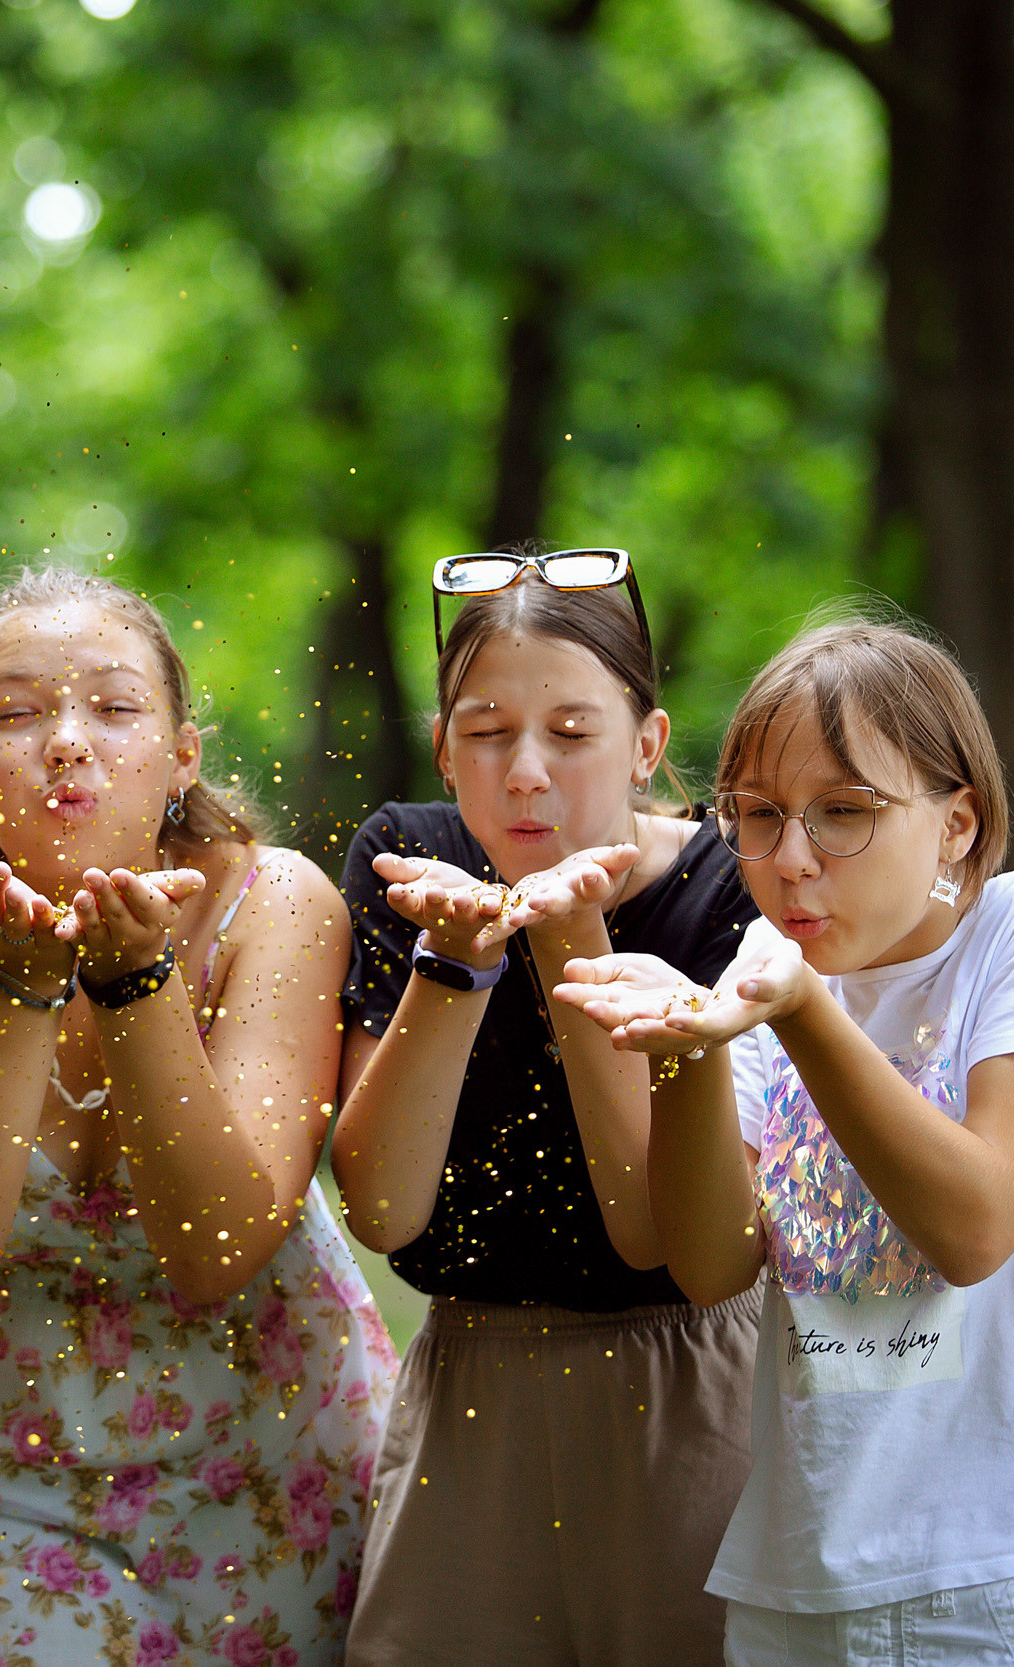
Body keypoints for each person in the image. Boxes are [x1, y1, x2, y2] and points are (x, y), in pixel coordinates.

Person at [552, 613, 1014, 1665]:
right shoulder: (765, 976)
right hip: (801, 1578)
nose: (791, 858)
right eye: (757, 815)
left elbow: (974, 1223)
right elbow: (713, 1260)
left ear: (956, 822)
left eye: (844, 813)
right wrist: (679, 1048)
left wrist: (801, 1013)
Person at [0, 567, 398, 1666]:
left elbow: (215, 1249)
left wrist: (137, 985)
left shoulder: (275, 903)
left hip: (269, 1445)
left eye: (114, 705)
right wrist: (22, 985)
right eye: (17, 711)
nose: (66, 740)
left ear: (183, 754)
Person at [329, 547, 762, 1666]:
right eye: (485, 732)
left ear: (647, 744)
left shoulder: (731, 888)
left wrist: (569, 930)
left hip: (693, 1380)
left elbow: (650, 1226)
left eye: (571, 733)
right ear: (444, 747)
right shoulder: (405, 861)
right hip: (469, 1384)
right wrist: (455, 962)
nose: (526, 771)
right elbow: (379, 1208)